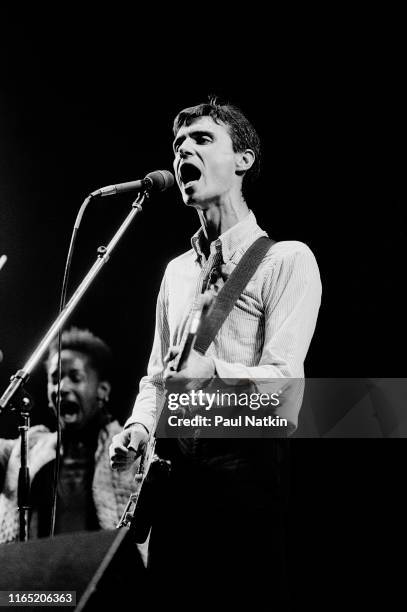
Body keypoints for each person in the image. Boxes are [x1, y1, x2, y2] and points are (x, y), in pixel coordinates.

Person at [109, 98, 322, 606]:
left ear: (244, 159)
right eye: (179, 144)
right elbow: (157, 375)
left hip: (242, 484)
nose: (185, 150)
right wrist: (140, 425)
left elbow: (287, 391)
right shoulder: (176, 272)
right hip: (174, 488)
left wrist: (214, 374)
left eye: (202, 139)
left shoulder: (286, 260)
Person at [0, 327, 139, 544]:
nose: (62, 387)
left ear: (102, 389)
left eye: (75, 377)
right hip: (34, 575)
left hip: (102, 575)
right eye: (55, 379)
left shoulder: (132, 447)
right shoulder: (26, 448)